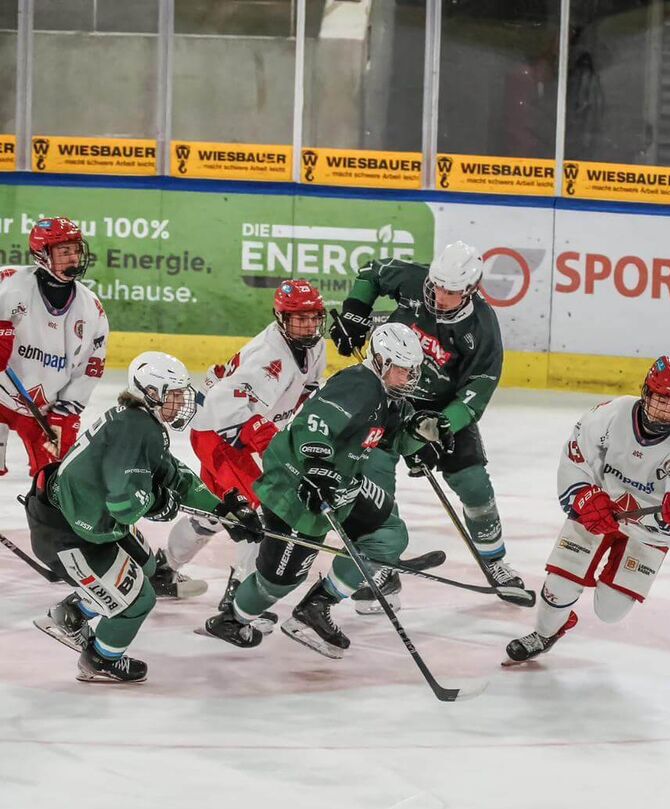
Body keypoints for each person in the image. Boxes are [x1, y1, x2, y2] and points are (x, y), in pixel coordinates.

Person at [203, 322, 454, 659]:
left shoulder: (391, 397)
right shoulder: (359, 385)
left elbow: (392, 435)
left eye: (413, 370)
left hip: (342, 484)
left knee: (389, 532)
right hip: (298, 487)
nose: (409, 378)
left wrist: (423, 435)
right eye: (402, 370)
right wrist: (318, 468)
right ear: (380, 362)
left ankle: (316, 606)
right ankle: (232, 620)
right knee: (277, 582)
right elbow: (314, 424)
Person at [24, 352, 263, 683]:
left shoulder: (138, 420)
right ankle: (101, 659)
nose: (182, 401)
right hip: (68, 532)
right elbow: (125, 503)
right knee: (138, 601)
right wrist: (157, 504)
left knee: (149, 569)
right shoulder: (137, 428)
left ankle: (73, 612)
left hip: (85, 516)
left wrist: (222, 508)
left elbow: (173, 474)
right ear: (151, 392)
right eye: (175, 394)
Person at [329, 240, 531, 613]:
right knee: (374, 479)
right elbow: (372, 272)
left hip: (439, 407)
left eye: (451, 291)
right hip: (386, 393)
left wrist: (441, 425)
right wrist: (356, 312)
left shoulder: (482, 326)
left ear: (470, 290)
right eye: (436, 285)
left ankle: (495, 560)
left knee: (473, 482)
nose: (439, 296)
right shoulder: (413, 279)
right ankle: (383, 571)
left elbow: (480, 386)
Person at [504, 356, 670, 664]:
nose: (666, 410)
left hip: (646, 532)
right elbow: (574, 458)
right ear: (646, 393)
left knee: (611, 611)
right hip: (599, 512)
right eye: (660, 399)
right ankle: (546, 632)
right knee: (559, 587)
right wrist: (583, 497)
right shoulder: (608, 415)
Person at [160, 279, 327, 617]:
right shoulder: (267, 356)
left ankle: (163, 570)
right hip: (218, 433)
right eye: (299, 319)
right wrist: (268, 442)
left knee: (216, 512)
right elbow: (226, 403)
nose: (308, 326)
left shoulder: (316, 345)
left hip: (236, 432)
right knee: (254, 513)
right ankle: (237, 598)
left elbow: (307, 389)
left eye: (314, 317)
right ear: (282, 318)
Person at [0, 217, 108, 475]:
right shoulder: (8, 283)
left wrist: (66, 412)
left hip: (46, 411)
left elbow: (89, 368)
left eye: (75, 250)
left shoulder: (91, 309)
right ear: (42, 254)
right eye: (63, 252)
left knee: (55, 482)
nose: (73, 258)